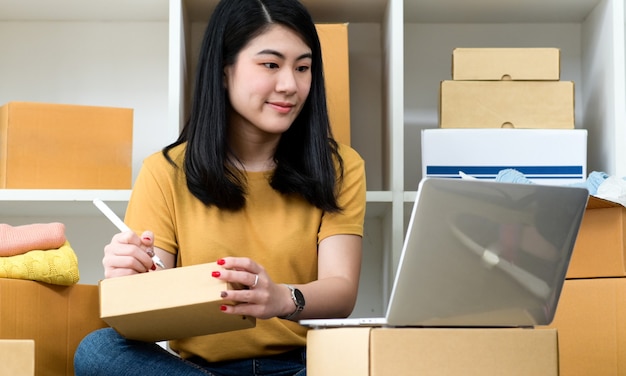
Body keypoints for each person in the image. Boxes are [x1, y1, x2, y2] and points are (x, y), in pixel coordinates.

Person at [73, 0, 366, 374]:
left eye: (303, 67)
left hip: (303, 367)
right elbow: (147, 305)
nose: (290, 85)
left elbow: (341, 291)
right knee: (99, 350)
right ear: (225, 71)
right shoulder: (165, 171)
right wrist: (127, 280)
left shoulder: (340, 166)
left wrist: (281, 298)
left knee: (386, 354)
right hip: (198, 371)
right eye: (271, 65)